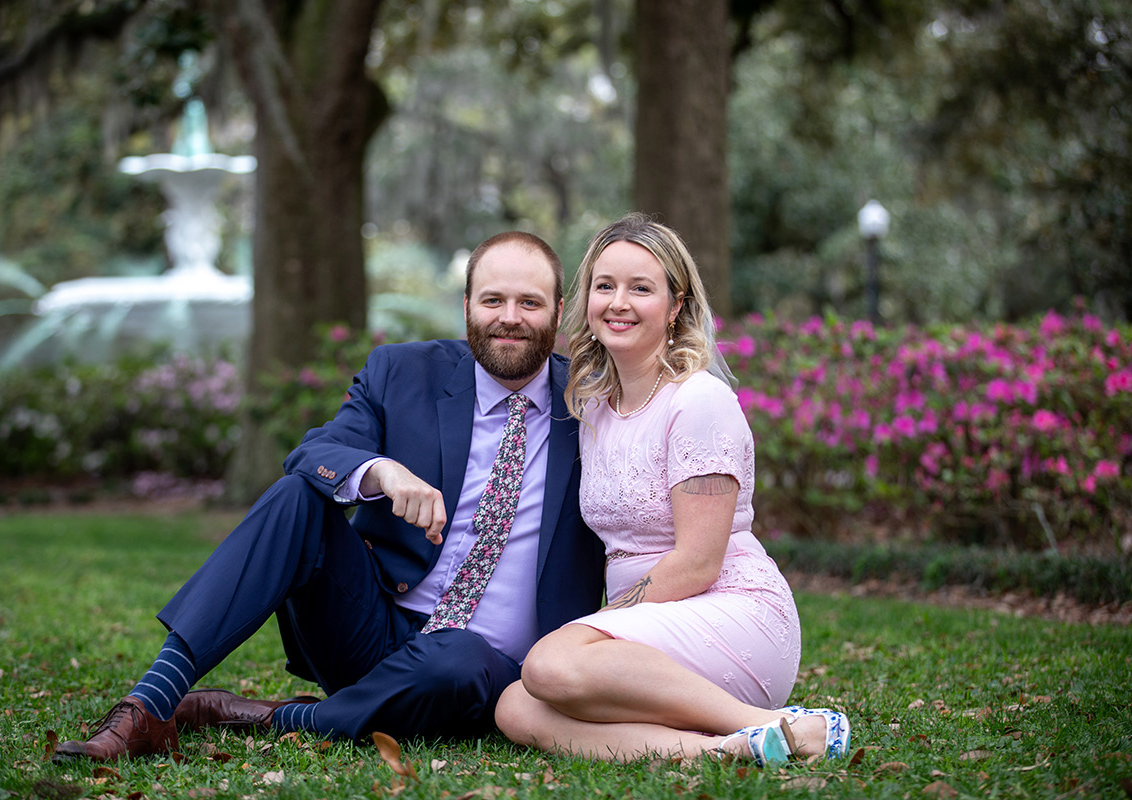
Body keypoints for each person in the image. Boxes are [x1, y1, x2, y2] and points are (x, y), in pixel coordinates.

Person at [53, 231, 606, 761]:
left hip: (488, 669)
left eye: (529, 302)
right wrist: (382, 471)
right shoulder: (403, 372)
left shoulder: (596, 407)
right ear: (466, 306)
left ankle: (272, 717)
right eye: (493, 299)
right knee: (297, 496)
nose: (509, 317)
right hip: (371, 630)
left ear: (560, 312)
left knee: (457, 658)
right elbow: (318, 450)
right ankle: (149, 704)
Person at [494, 213, 852, 765]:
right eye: (605, 285)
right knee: (516, 707)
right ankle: (727, 750)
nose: (619, 302)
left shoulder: (697, 400)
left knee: (550, 665)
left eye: (642, 288)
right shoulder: (594, 408)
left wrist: (600, 627)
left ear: (676, 304)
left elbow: (699, 563)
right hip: (647, 639)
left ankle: (779, 722)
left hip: (729, 613)